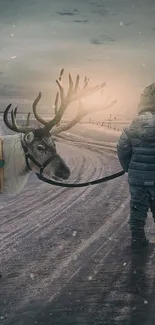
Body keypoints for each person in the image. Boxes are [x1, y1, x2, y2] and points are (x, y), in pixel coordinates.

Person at [117, 83, 155, 249]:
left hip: (138, 179)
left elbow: (122, 148)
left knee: (137, 209)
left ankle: (137, 239)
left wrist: (128, 167)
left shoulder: (133, 125)